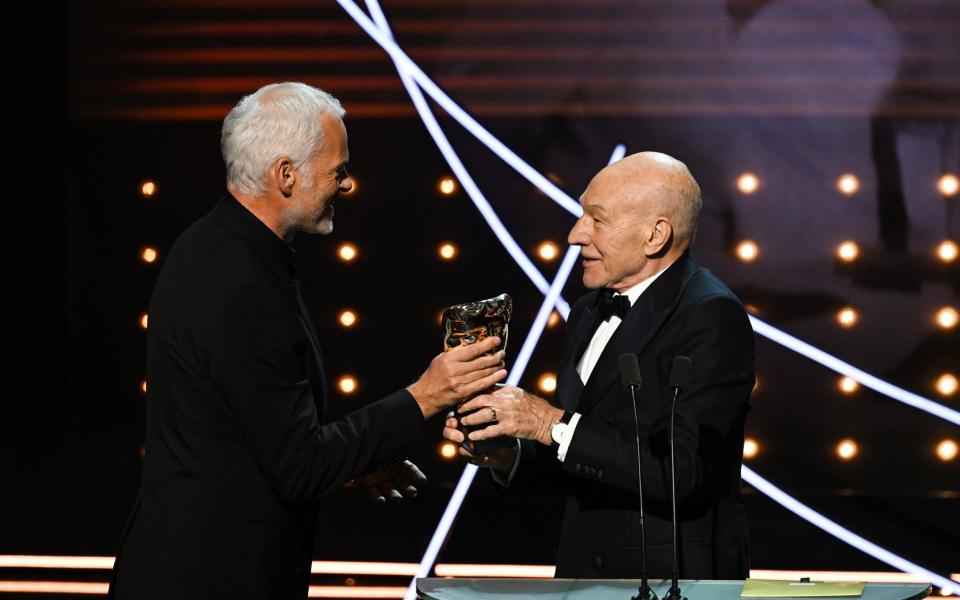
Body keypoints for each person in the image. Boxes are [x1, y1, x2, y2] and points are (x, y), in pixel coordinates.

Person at [108, 82, 507, 600]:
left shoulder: (216, 249)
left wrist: (348, 467)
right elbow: (298, 464)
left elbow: (246, 440)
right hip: (213, 577)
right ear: (286, 174)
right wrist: (426, 396)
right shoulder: (240, 282)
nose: (346, 184)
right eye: (338, 170)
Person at [444, 151, 755, 579]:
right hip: (583, 577)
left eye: (597, 219)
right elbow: (586, 456)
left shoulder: (710, 315)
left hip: (672, 580)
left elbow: (681, 473)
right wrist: (508, 453)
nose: (575, 235)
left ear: (655, 236)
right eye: (580, 216)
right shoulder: (588, 310)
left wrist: (545, 422)